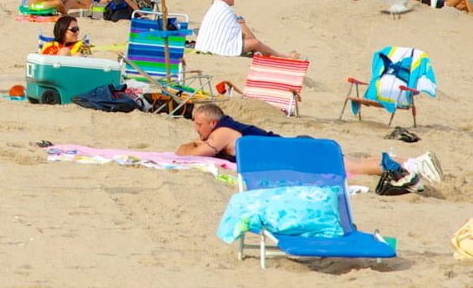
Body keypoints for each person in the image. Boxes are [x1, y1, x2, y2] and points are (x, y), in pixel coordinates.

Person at [175, 101, 441, 188]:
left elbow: (192, 154)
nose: (195, 128)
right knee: (352, 164)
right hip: (294, 149)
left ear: (211, 122)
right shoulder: (226, 130)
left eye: (198, 124)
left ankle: (411, 164)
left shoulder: (221, 133)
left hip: (295, 154)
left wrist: (188, 146)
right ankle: (408, 163)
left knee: (353, 167)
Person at [194, 0, 285, 58]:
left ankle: (260, 51)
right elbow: (246, 35)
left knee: (252, 43)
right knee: (255, 43)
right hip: (219, 48)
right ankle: (281, 55)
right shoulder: (226, 10)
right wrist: (242, 24)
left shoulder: (214, 8)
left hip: (203, 46)